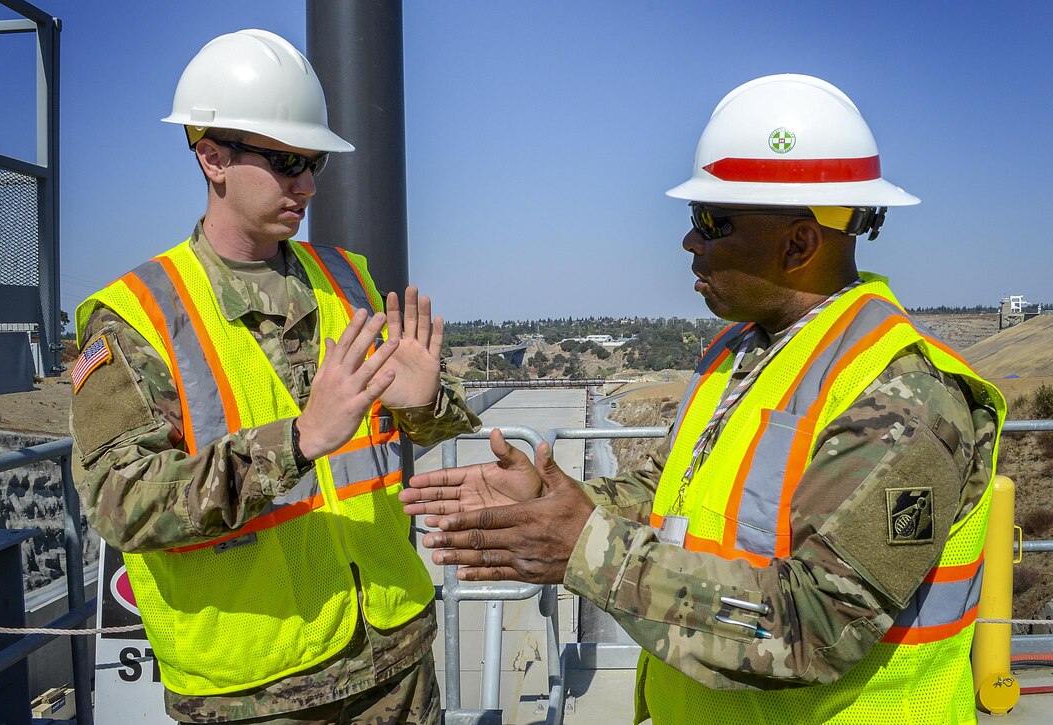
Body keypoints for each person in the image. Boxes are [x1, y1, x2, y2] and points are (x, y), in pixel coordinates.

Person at [401, 74, 1006, 724]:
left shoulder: (905, 394)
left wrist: (588, 548)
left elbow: (818, 626)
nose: (690, 241)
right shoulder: (740, 353)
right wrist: (559, 505)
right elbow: (673, 494)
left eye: (711, 220)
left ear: (799, 242)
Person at [70, 29, 479, 724]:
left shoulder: (346, 280)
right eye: (288, 161)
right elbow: (118, 503)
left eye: (314, 163)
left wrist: (428, 403)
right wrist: (295, 441)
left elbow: (410, 434)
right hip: (257, 694)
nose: (308, 185)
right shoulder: (136, 319)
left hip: (396, 660)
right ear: (212, 157)